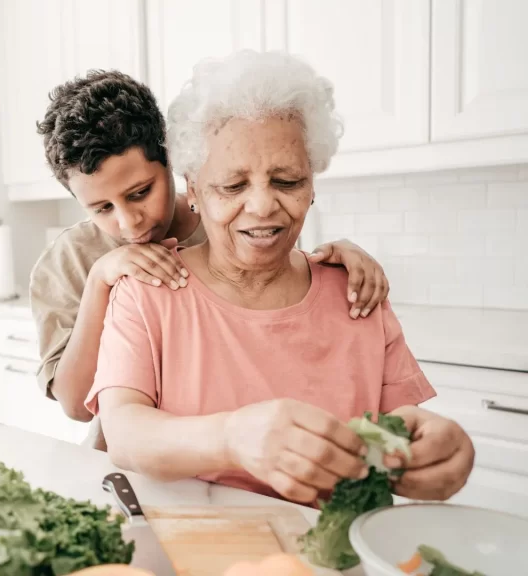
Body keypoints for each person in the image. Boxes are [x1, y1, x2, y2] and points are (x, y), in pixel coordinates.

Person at [86, 50, 474, 504]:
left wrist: (440, 449)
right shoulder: (147, 291)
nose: (263, 207)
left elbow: (402, 424)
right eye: (232, 186)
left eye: (287, 181)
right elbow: (124, 432)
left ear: (312, 182)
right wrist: (230, 437)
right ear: (193, 189)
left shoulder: (356, 291)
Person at [30, 69, 391, 451]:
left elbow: (288, 285)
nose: (128, 221)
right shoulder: (69, 260)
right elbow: (77, 405)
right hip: (129, 455)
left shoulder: (229, 213)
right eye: (102, 208)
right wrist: (100, 280)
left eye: (140, 192)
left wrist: (342, 252)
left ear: (175, 161)